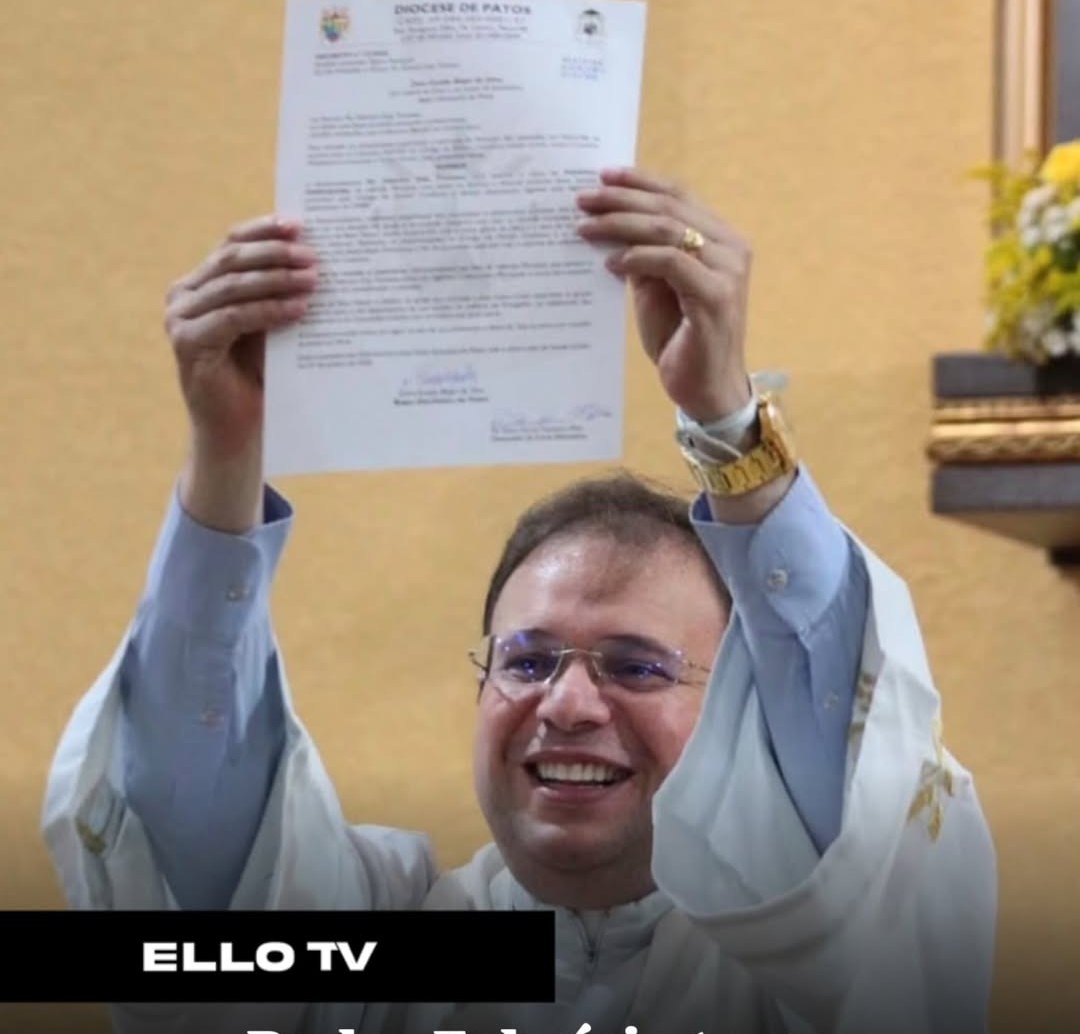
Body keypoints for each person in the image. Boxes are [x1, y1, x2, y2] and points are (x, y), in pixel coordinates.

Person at [41, 167, 997, 1034]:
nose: (568, 705)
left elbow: (852, 757)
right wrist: (227, 449)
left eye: (636, 665)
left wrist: (726, 418)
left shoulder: (822, 950)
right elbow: (198, 844)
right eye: (529, 660)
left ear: (739, 725)